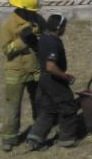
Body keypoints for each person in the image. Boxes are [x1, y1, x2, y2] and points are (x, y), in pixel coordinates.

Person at [0, 0, 44, 152]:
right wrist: (22, 41)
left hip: (36, 69)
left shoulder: (38, 21)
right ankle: (9, 137)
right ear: (22, 9)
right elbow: (7, 50)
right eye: (30, 11)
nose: (33, 14)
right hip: (16, 70)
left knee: (39, 101)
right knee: (13, 105)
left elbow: (44, 40)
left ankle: (39, 131)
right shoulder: (8, 25)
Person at [26, 14, 80, 150]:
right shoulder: (53, 42)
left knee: (48, 109)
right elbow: (51, 66)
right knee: (68, 106)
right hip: (53, 79)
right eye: (64, 27)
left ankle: (35, 138)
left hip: (43, 78)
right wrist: (65, 77)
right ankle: (67, 139)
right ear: (59, 27)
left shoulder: (43, 38)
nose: (64, 29)